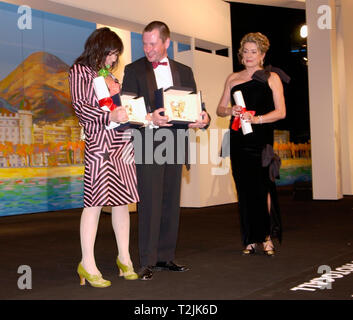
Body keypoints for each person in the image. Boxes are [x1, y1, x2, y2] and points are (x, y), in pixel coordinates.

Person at [122, 21, 210, 280]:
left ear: (166, 43)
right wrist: (150, 117)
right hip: (149, 142)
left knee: (171, 201)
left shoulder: (185, 70)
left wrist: (203, 119)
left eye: (153, 43)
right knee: (149, 202)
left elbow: (197, 105)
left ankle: (165, 257)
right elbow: (127, 111)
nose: (147, 49)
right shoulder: (133, 69)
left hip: (176, 141)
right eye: (144, 43)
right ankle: (147, 261)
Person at [69, 27, 139, 287]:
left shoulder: (108, 74)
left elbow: (120, 105)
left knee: (123, 201)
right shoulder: (80, 71)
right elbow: (80, 106)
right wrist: (109, 115)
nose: (113, 59)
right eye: (110, 53)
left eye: (115, 55)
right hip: (99, 143)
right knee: (95, 201)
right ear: (98, 48)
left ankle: (125, 258)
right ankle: (87, 263)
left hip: (121, 141)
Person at [217, 32, 289, 256]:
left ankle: (266, 237)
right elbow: (220, 109)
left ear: (262, 54)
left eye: (253, 52)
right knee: (244, 189)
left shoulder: (271, 77)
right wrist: (231, 110)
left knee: (263, 188)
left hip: (261, 140)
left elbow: (281, 112)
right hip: (238, 139)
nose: (249, 55)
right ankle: (249, 239)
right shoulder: (233, 78)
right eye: (245, 51)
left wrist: (257, 119)